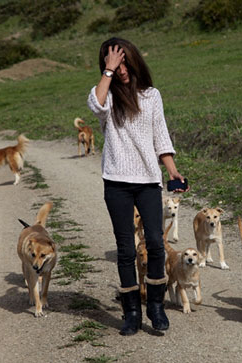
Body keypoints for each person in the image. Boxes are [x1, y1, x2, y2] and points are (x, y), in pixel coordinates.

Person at [87, 37, 188, 336]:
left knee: (156, 243)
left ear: (134, 60)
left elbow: (161, 136)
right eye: (113, 62)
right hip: (116, 181)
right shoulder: (108, 96)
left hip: (147, 181)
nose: (120, 68)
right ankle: (131, 312)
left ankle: (155, 307)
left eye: (123, 61)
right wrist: (108, 71)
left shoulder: (151, 95)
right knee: (125, 249)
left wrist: (173, 172)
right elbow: (96, 105)